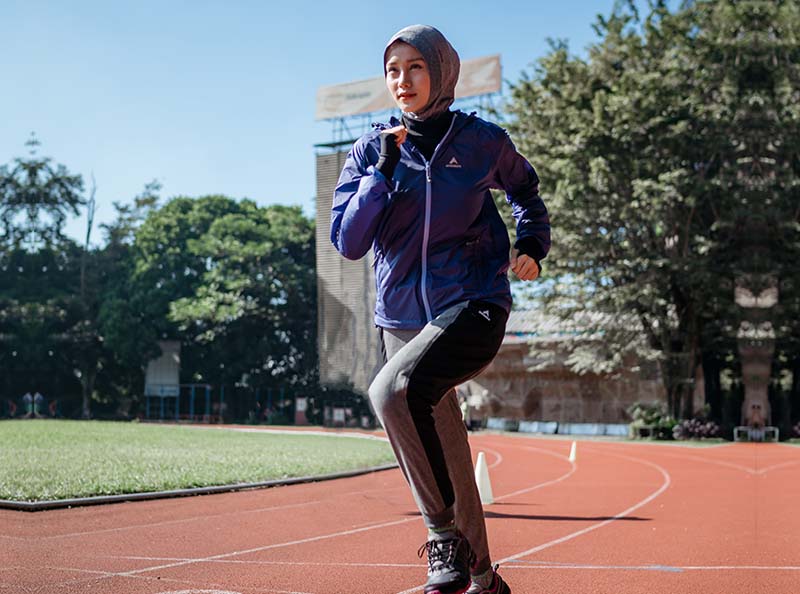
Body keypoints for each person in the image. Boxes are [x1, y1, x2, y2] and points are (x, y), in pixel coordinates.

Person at [330, 24, 550, 594]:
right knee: (448, 455)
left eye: (415, 68)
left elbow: (526, 192)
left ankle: (442, 539)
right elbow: (349, 242)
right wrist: (378, 176)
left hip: (472, 302)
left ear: (442, 71)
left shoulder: (480, 142)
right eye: (393, 70)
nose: (402, 81)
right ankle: (482, 577)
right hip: (401, 319)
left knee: (389, 392)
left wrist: (531, 245)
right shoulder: (369, 150)